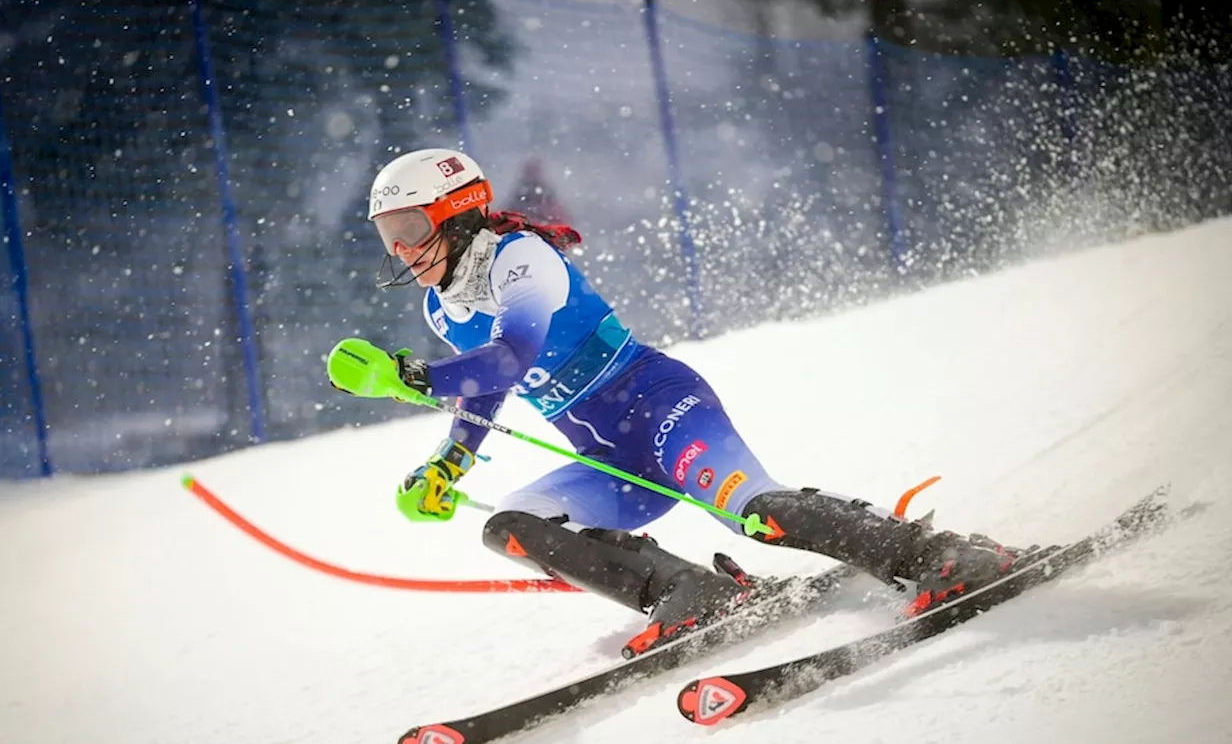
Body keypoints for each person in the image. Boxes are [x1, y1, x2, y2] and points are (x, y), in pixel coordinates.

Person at [328, 148, 1026, 655]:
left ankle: (937, 553)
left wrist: (413, 376)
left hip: (664, 411)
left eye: (411, 230)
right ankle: (689, 593)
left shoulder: (520, 259)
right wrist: (449, 463)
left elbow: (511, 355)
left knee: (759, 514)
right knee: (510, 526)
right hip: (606, 459)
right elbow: (487, 387)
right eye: (389, 237)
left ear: (455, 215)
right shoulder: (440, 306)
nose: (403, 250)